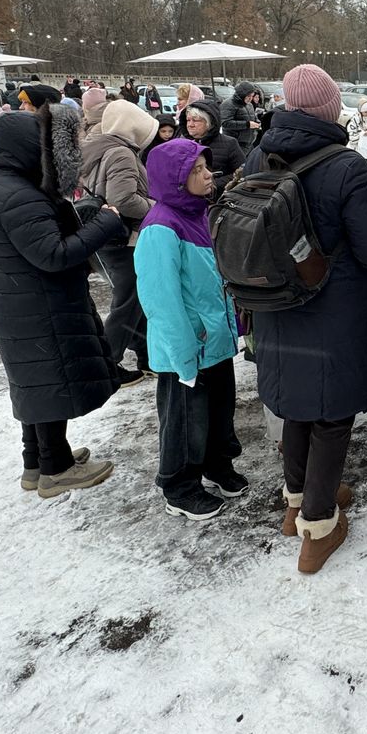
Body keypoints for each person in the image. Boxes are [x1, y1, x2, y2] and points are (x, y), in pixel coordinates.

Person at [243, 64, 367, 574]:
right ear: (331, 109)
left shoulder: (258, 154)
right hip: (334, 309)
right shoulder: (347, 166)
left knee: (297, 407)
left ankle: (298, 501)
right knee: (331, 416)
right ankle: (318, 526)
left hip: (275, 304)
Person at [0, 105, 124, 498]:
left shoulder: (3, 183)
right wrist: (105, 223)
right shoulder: (20, 197)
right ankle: (55, 470)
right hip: (38, 305)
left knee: (37, 386)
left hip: (21, 300)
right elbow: (54, 255)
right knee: (50, 387)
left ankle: (37, 461)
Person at [135, 137, 245, 520]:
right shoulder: (160, 228)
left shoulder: (198, 213)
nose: (208, 175)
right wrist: (183, 354)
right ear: (176, 179)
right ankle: (179, 486)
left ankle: (217, 465)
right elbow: (160, 299)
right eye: (197, 170)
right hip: (186, 349)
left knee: (218, 411)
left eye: (206, 167)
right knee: (186, 421)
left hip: (213, 341)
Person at [80, 99, 158, 378]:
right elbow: (123, 200)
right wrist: (157, 208)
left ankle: (146, 356)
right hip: (125, 238)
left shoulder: (97, 147)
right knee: (129, 300)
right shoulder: (121, 153)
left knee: (134, 299)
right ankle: (109, 363)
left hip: (106, 236)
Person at [181, 100, 244, 188]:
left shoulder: (229, 143)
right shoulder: (181, 143)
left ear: (209, 123)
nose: (190, 125)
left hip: (217, 194)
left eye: (195, 120)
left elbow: (242, 172)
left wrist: (213, 184)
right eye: (188, 120)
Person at [221, 82, 258, 149]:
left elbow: (252, 117)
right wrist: (247, 124)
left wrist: (257, 122)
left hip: (249, 143)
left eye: (252, 96)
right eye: (248, 96)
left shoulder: (249, 105)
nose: (250, 98)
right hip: (235, 143)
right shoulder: (228, 104)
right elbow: (225, 123)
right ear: (241, 95)